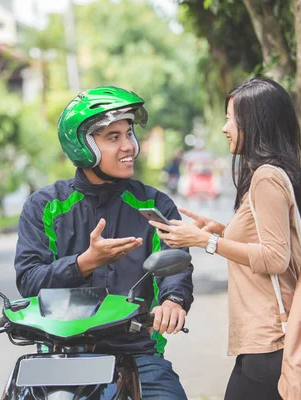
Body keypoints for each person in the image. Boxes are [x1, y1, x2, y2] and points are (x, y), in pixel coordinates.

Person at [14, 86, 194, 399]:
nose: (129, 147)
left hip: (137, 354)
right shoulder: (44, 206)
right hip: (58, 356)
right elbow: (28, 280)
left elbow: (174, 260)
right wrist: (84, 263)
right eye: (114, 137)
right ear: (83, 147)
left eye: (129, 134)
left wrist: (173, 300)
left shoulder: (154, 204)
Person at [148, 77, 301, 400]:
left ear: (255, 122)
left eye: (230, 118)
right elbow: (269, 240)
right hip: (266, 340)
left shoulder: (266, 177)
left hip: (270, 340)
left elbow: (275, 257)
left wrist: (204, 241)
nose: (225, 127)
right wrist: (221, 230)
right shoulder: (274, 173)